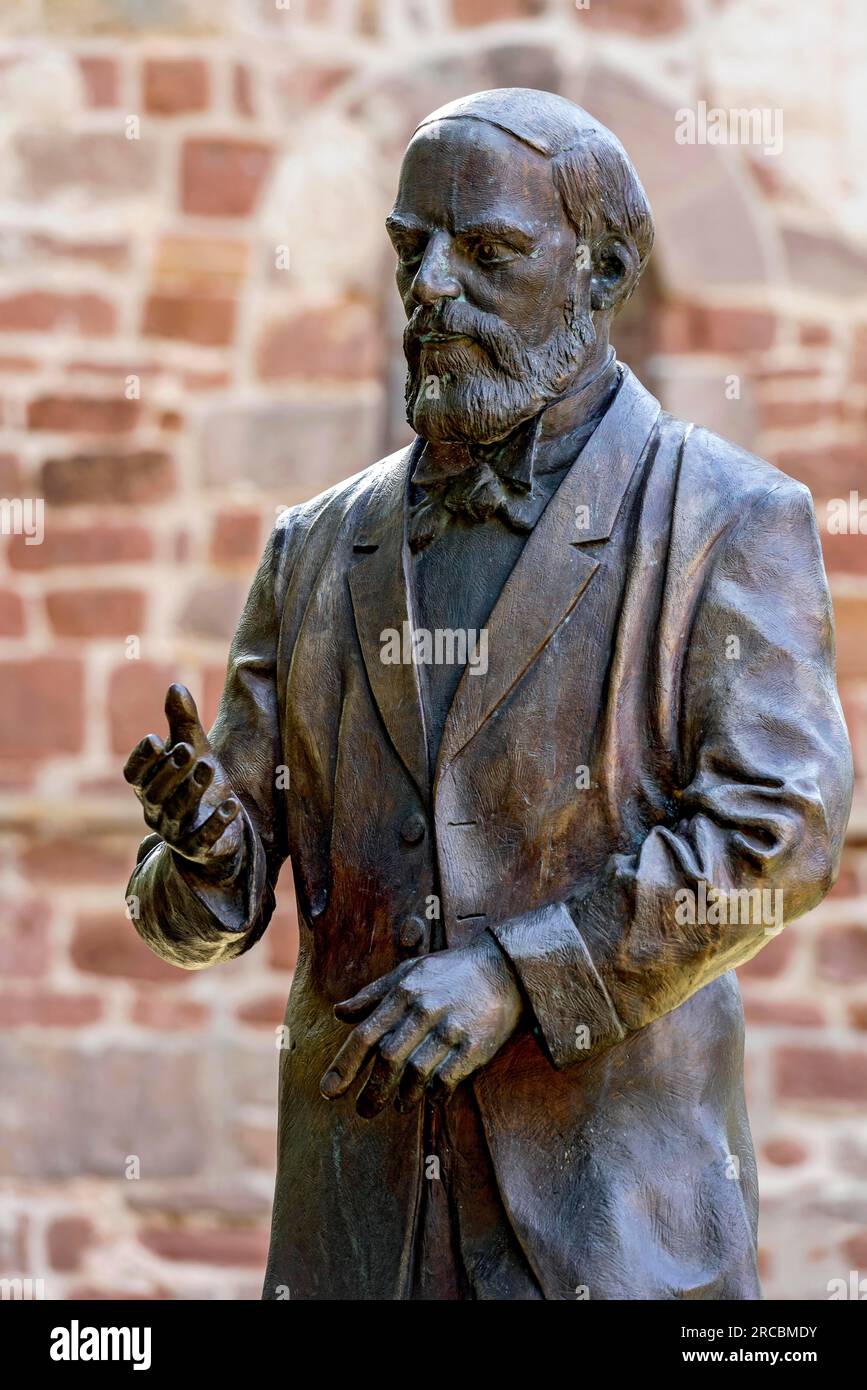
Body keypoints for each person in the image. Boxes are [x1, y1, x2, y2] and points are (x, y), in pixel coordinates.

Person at [124, 89, 852, 1300]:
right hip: (354, 1245)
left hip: (612, 1244)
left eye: (488, 252)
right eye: (413, 249)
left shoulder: (725, 521)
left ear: (604, 269)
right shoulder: (312, 551)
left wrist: (524, 974)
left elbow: (779, 838)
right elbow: (214, 904)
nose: (433, 288)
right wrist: (204, 850)